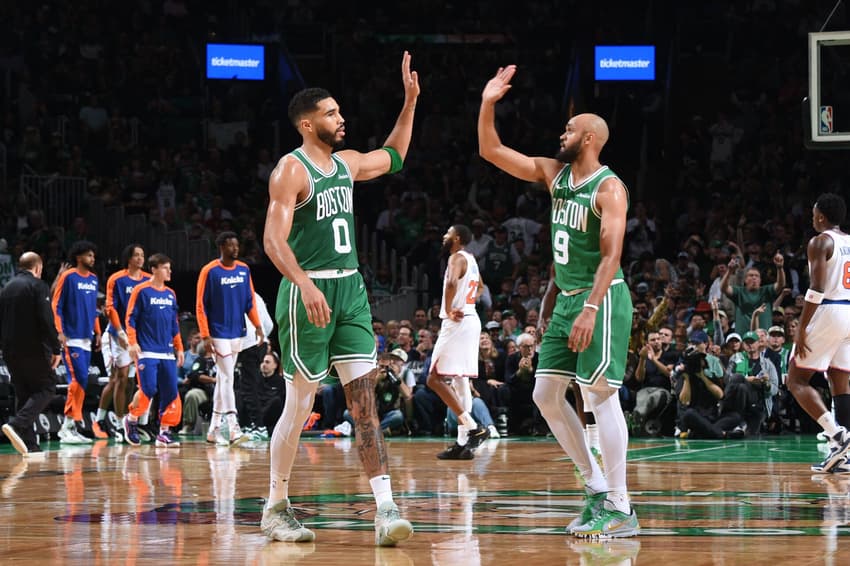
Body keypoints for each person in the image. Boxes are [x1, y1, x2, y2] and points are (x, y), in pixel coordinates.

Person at [260, 51, 419, 546]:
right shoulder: (291, 170)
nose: (341, 118)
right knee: (299, 403)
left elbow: (393, 156)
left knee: (364, 401)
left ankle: (386, 509)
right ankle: (275, 506)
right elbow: (272, 241)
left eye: (339, 111)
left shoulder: (346, 164)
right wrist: (304, 284)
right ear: (308, 123)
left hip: (350, 288)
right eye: (331, 113)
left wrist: (410, 101)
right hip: (306, 290)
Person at [478, 65, 638, 537]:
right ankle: (594, 486)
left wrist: (590, 307)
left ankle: (621, 505)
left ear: (589, 138)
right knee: (545, 394)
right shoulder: (556, 175)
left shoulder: (609, 188)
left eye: (570, 130)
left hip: (602, 299)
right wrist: (488, 103)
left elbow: (612, 254)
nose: (561, 134)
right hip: (569, 299)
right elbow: (491, 150)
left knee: (600, 396)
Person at [786, 193, 850, 474]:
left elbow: (816, 289)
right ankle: (843, 456)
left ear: (821, 217)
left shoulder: (820, 241)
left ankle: (838, 435)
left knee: (796, 379)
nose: (812, 219)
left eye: (814, 215)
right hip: (849, 312)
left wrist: (801, 327)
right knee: (839, 381)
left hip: (829, 310)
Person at [426, 224, 490, 460]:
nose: (444, 235)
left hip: (458, 322)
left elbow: (452, 282)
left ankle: (473, 427)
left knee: (434, 378)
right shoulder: (471, 260)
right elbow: (481, 287)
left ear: (458, 238)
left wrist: (452, 308)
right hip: (472, 319)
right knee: (461, 382)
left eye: (448, 233)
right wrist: (468, 302)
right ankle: (463, 444)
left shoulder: (456, 257)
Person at [196, 231, 263, 446]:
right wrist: (205, 334)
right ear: (222, 247)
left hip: (238, 332)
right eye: (231, 245)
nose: (236, 249)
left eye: (237, 245)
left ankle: (214, 429)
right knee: (228, 376)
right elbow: (200, 305)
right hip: (218, 333)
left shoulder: (244, 269)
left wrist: (258, 326)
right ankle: (233, 427)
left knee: (224, 379)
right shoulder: (209, 271)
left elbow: (249, 302)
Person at [0, 252, 62, 455]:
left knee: (24, 392)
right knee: (47, 387)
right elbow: (46, 319)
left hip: (9, 349)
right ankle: (18, 424)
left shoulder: (6, 288)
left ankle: (30, 445)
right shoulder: (37, 285)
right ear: (38, 267)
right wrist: (56, 348)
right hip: (34, 347)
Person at [122, 253, 184, 447]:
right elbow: (130, 319)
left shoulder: (171, 294)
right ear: (154, 269)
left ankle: (164, 432)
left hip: (166, 352)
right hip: (146, 350)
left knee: (171, 392)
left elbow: (174, 323)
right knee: (148, 389)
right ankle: (131, 419)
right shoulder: (141, 291)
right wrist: (132, 343)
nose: (169, 271)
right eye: (166, 268)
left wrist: (179, 348)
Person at [52, 240, 101, 444]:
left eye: (93, 255)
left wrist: (97, 332)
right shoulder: (68, 276)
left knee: (82, 380)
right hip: (71, 337)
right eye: (89, 255)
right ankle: (67, 426)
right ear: (79, 257)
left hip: (86, 337)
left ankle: (71, 425)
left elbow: (93, 309)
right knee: (78, 377)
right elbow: (56, 305)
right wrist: (60, 331)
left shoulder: (94, 279)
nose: (93, 259)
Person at [99, 243, 150, 440]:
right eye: (136, 255)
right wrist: (121, 334)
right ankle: (119, 423)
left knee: (134, 382)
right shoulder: (117, 279)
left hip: (141, 337)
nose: (140, 258)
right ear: (128, 258)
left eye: (142, 255)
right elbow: (111, 309)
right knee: (119, 378)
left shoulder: (147, 280)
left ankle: (133, 421)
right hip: (119, 334)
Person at [237, 292, 275, 440]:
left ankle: (258, 426)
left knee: (247, 387)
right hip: (261, 342)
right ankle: (251, 424)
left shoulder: (236, 293)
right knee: (252, 384)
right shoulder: (257, 296)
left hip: (247, 343)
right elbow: (269, 324)